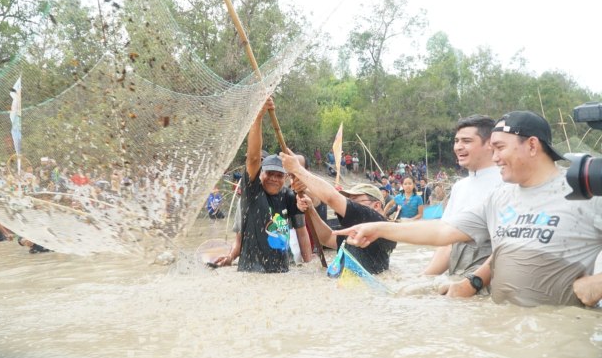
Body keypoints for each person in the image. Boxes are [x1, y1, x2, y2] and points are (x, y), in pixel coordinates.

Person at [334, 111, 602, 307]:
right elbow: (443, 232)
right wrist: (379, 228)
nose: (494, 157)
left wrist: (597, 284)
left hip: (562, 332)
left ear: (532, 145)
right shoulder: (500, 198)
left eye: (499, 148)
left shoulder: (585, 191)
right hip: (502, 327)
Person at [214, 98, 312, 272]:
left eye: (279, 175)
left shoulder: (289, 196)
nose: (274, 178)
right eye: (270, 174)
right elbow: (252, 158)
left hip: (282, 271)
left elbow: (301, 231)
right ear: (261, 174)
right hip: (252, 271)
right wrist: (259, 116)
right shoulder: (253, 191)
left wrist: (309, 265)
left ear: (285, 177)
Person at [423, 115, 502, 296]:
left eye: (466, 141)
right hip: (458, 276)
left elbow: (507, 248)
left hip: (487, 283)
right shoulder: (459, 187)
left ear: (490, 143)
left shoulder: (506, 183)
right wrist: (425, 278)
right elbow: (446, 243)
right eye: (456, 141)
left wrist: (471, 284)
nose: (458, 147)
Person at [280, 152, 397, 274]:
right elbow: (326, 238)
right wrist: (310, 208)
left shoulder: (380, 224)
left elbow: (332, 199)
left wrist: (298, 169)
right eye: (349, 200)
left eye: (355, 201)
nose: (350, 204)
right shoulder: (355, 232)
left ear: (376, 205)